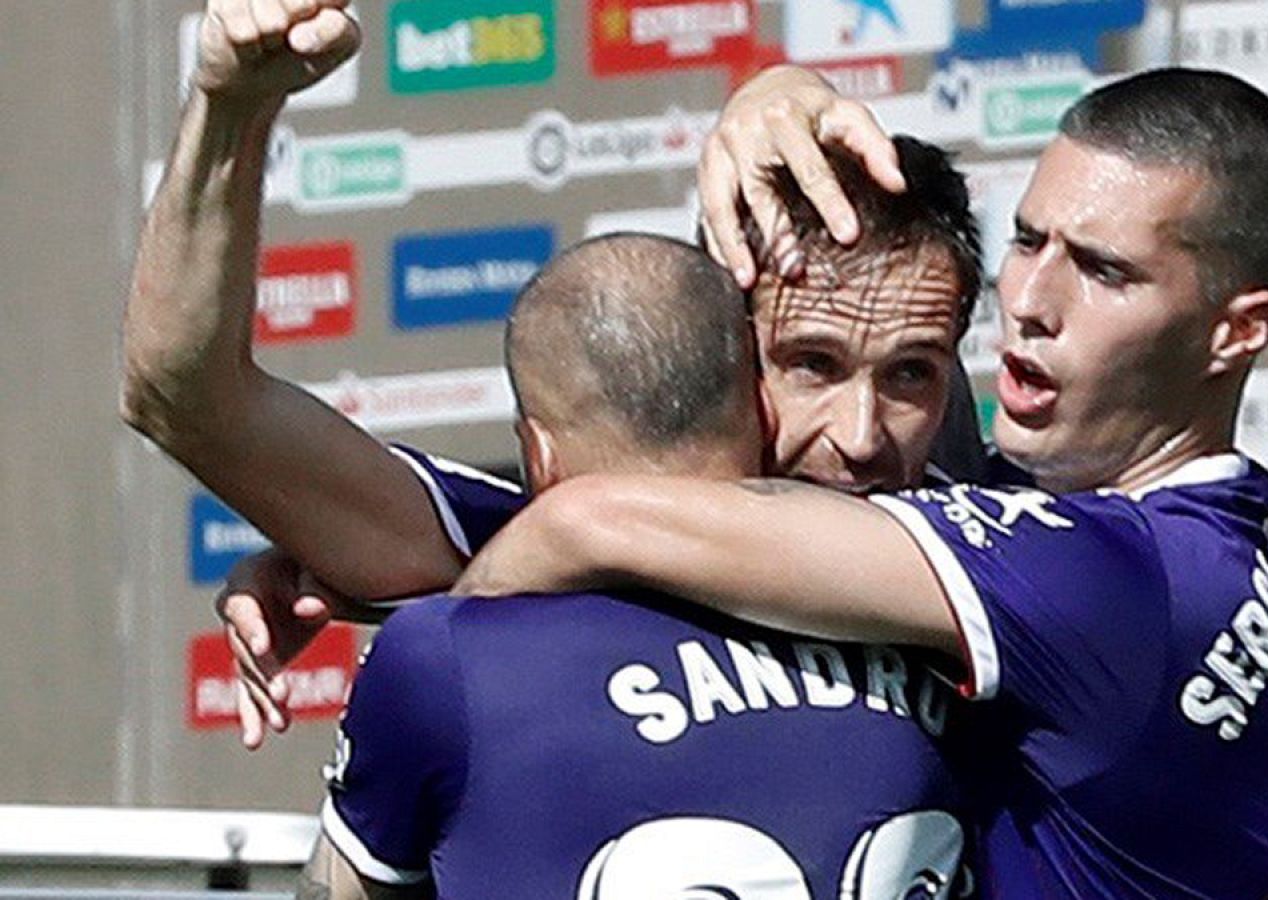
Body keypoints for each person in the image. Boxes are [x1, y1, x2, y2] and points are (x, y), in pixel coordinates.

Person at [445, 66, 1268, 897]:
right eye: (1030, 240)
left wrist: (473, 609)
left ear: (1236, 332)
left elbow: (596, 523)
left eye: (1105, 271)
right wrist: (778, 92)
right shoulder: (1101, 530)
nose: (1030, 299)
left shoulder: (1119, 583)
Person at [118, 0, 983, 747]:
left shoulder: (1012, 547)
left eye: (911, 377)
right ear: (725, 352)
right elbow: (184, 395)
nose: (862, 436)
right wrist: (233, 109)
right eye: (811, 366)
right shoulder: (552, 536)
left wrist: (784, 84)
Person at [296, 233, 968, 898]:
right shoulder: (960, 610)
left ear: (539, 456)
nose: (857, 437)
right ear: (762, 412)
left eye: (909, 373)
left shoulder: (443, 656)